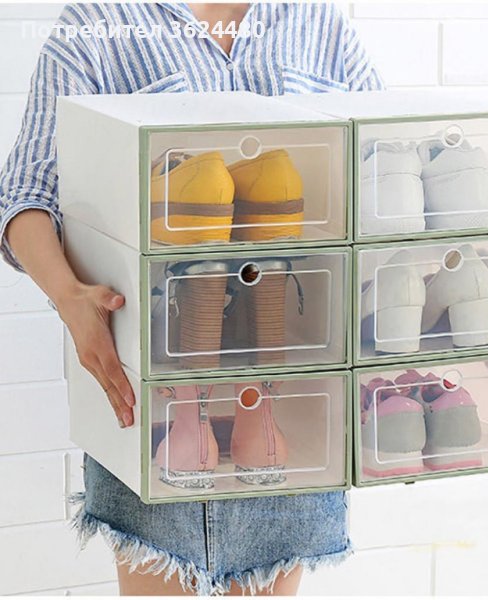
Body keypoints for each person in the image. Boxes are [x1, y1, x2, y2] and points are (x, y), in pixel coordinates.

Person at [0, 3, 383, 595]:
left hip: (295, 416)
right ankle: (247, 421)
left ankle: (217, 417)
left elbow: (380, 162)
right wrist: (72, 299)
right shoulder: (100, 20)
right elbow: (27, 192)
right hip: (142, 397)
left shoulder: (317, 22)